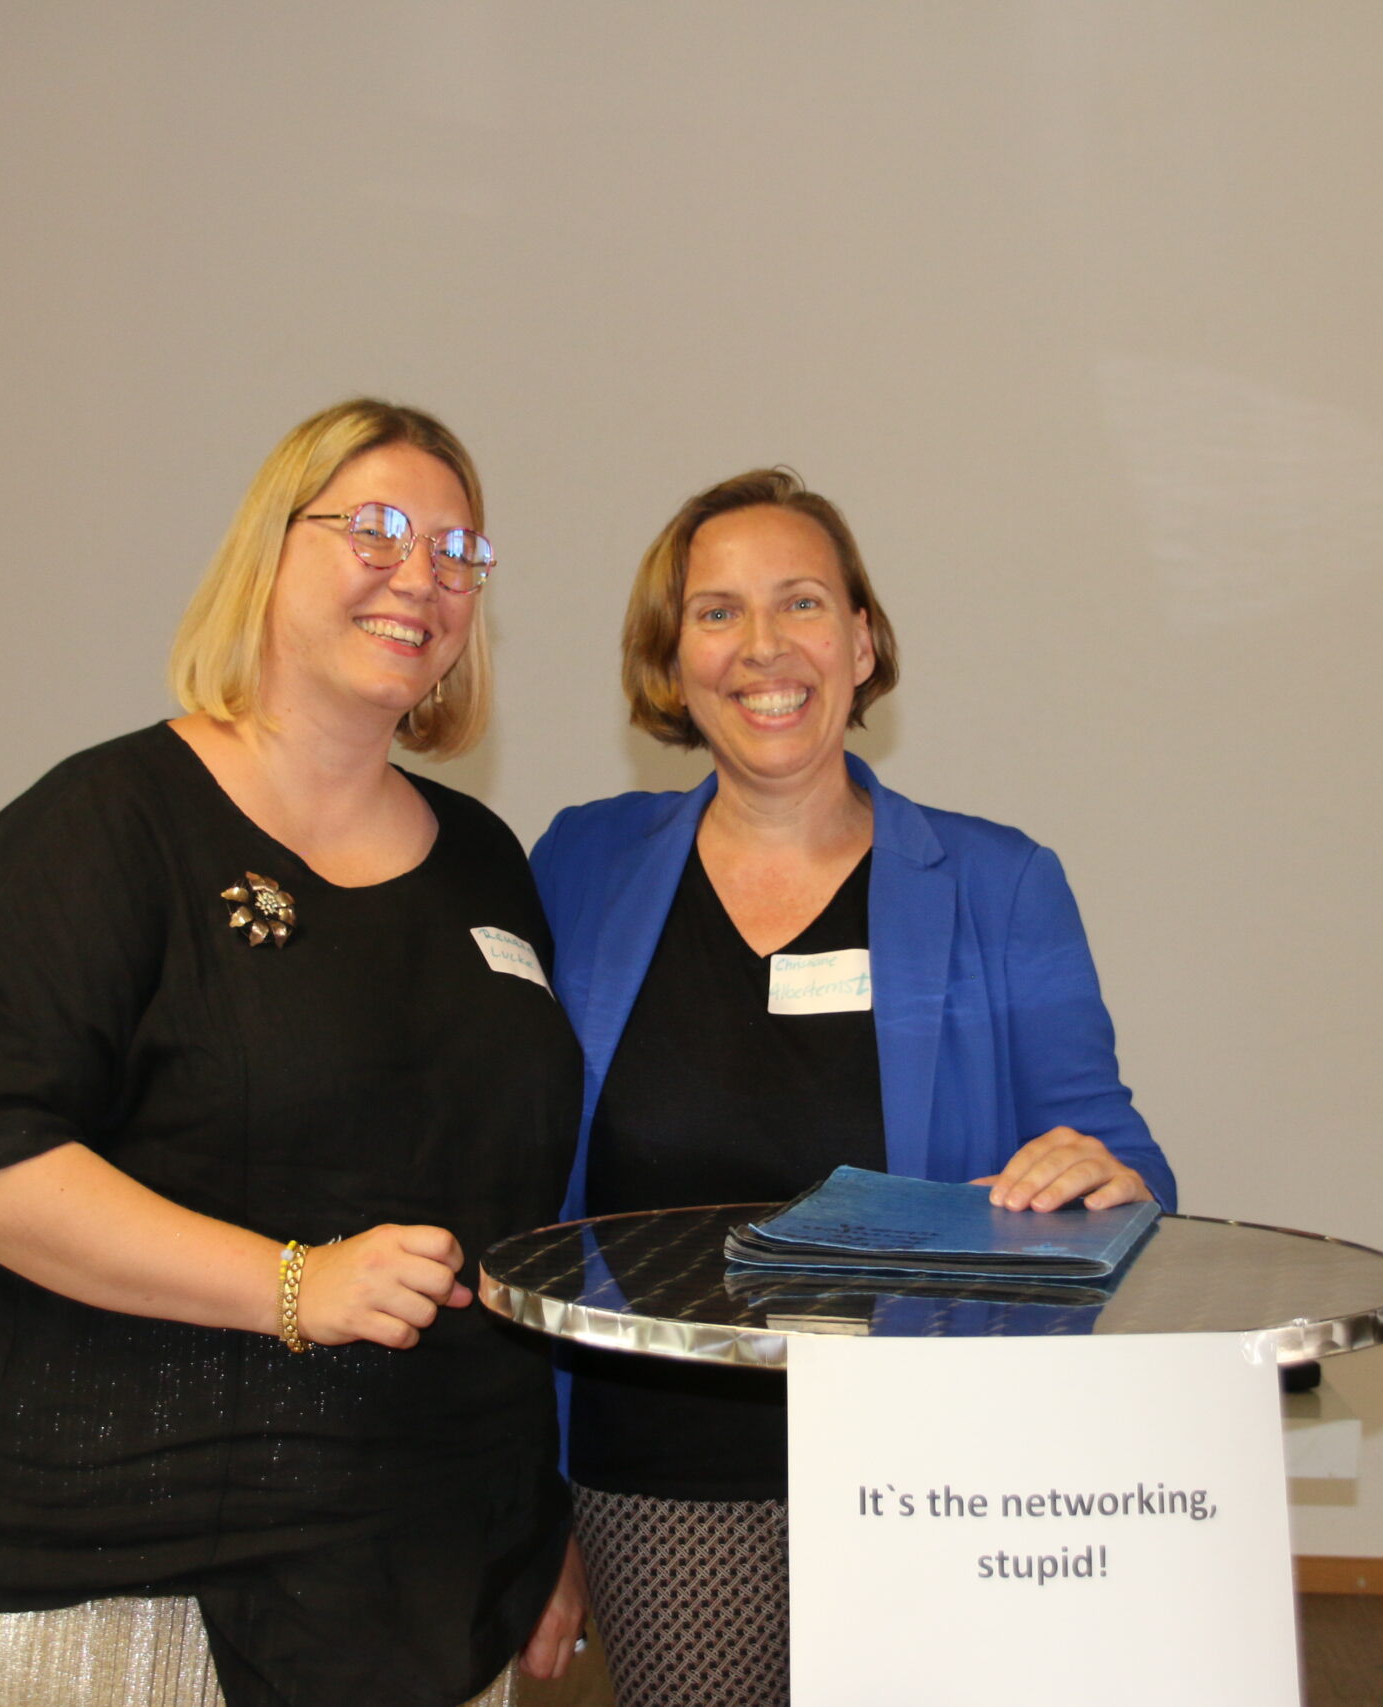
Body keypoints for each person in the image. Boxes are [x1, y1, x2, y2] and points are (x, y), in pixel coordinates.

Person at [0, 400, 586, 1707]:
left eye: (459, 552)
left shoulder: (487, 862)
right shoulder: (102, 830)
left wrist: (537, 1513)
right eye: (375, 529)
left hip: (427, 1571)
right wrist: (292, 1282)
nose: (421, 574)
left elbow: (512, 1199)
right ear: (270, 551)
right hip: (131, 1573)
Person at [530, 468, 1177, 1707]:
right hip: (659, 1466)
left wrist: (1107, 1176)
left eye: (803, 604)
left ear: (863, 642)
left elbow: (1121, 1157)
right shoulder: (580, 866)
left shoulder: (998, 884)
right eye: (715, 613)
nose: (762, 647)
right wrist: (529, 1503)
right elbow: (520, 1176)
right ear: (669, 663)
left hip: (931, 1461)